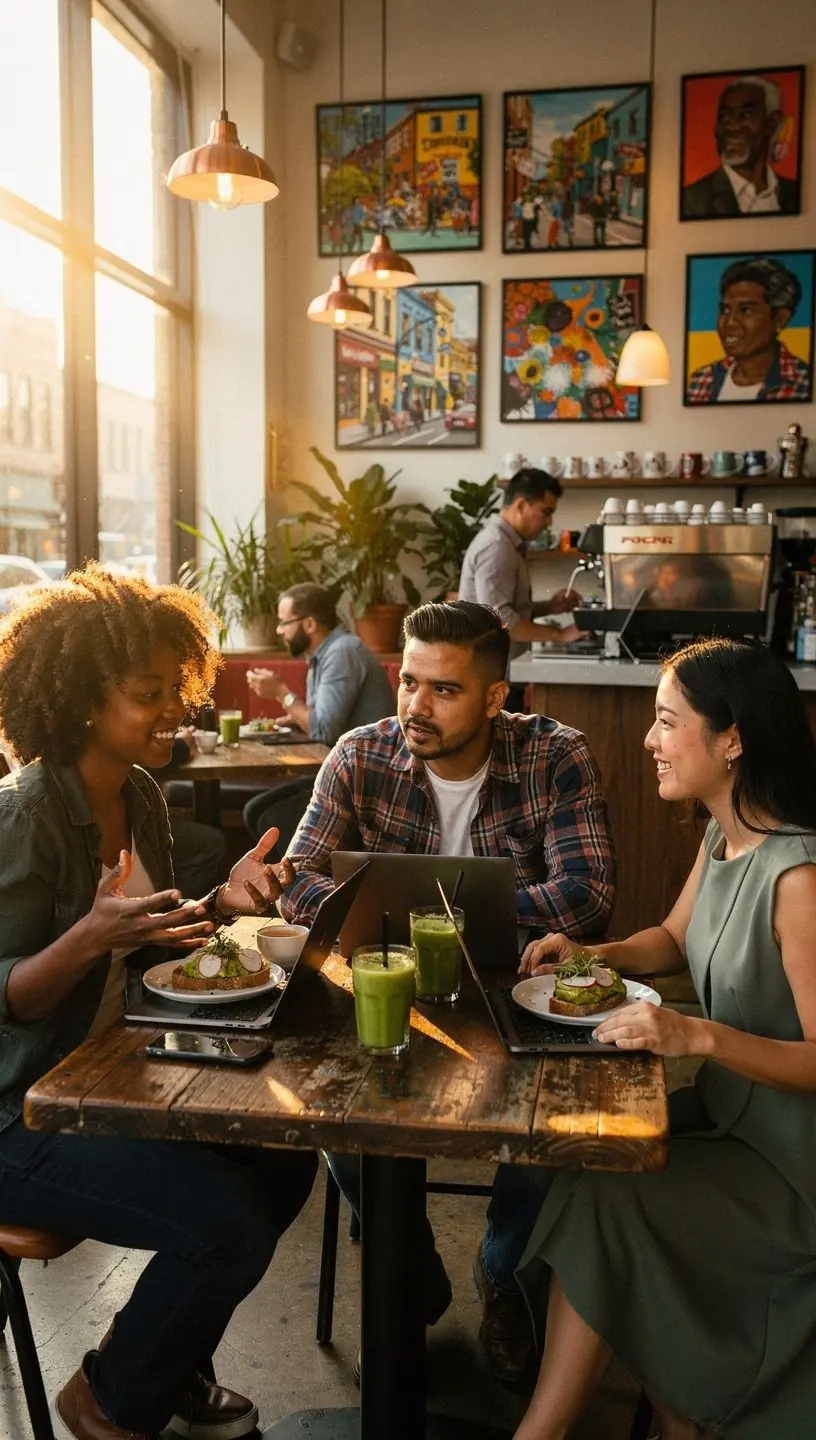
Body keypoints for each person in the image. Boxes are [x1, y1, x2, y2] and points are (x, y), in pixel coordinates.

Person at [0, 564, 317, 1440]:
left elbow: (153, 938)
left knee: (284, 1159)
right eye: (150, 694)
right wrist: (83, 942)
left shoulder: (138, 795)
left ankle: (159, 1359)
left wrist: (224, 905)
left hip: (103, 1075)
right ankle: (113, 1400)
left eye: (174, 688)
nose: (175, 710)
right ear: (80, 703)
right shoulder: (26, 816)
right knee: (226, 1224)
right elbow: (8, 996)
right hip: (15, 1113)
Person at [281, 601, 616, 1383]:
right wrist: (476, 908)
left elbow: (590, 894)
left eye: (444, 691)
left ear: (497, 698)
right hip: (389, 997)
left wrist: (402, 907)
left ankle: (501, 1272)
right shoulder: (361, 755)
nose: (414, 707)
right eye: (407, 683)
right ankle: (411, 1265)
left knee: (556, 1117)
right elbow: (298, 880)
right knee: (318, 1102)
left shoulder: (555, 754)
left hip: (516, 999)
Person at [513, 638, 816, 1440]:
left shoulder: (799, 879)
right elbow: (675, 939)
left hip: (794, 1173)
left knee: (611, 1202)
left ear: (733, 739)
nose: (649, 740)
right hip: (729, 1129)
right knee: (590, 1170)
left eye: (665, 720)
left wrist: (695, 1034)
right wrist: (593, 955)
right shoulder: (724, 838)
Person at [243, 583, 395, 859]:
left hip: (365, 780)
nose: (279, 631)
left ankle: (299, 883)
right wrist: (292, 719)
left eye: (284, 623)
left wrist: (281, 692)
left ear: (310, 623)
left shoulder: (342, 652)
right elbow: (318, 717)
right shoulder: (323, 655)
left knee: (271, 818)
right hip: (340, 768)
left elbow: (324, 729)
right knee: (255, 810)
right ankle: (279, 887)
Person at [458, 467, 581, 708]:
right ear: (522, 505)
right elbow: (499, 618)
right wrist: (559, 635)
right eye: (546, 512)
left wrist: (549, 607)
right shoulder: (496, 547)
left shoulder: (507, 545)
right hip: (490, 682)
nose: (549, 522)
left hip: (498, 679)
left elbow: (505, 608)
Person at [687, 255, 810, 403]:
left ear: (780, 319)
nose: (730, 323)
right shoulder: (703, 379)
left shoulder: (803, 383)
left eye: (745, 310)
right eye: (725, 310)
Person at [682, 75, 800, 219]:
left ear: (772, 122)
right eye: (724, 117)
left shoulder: (796, 193)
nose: (732, 126)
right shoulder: (692, 201)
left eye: (746, 115)